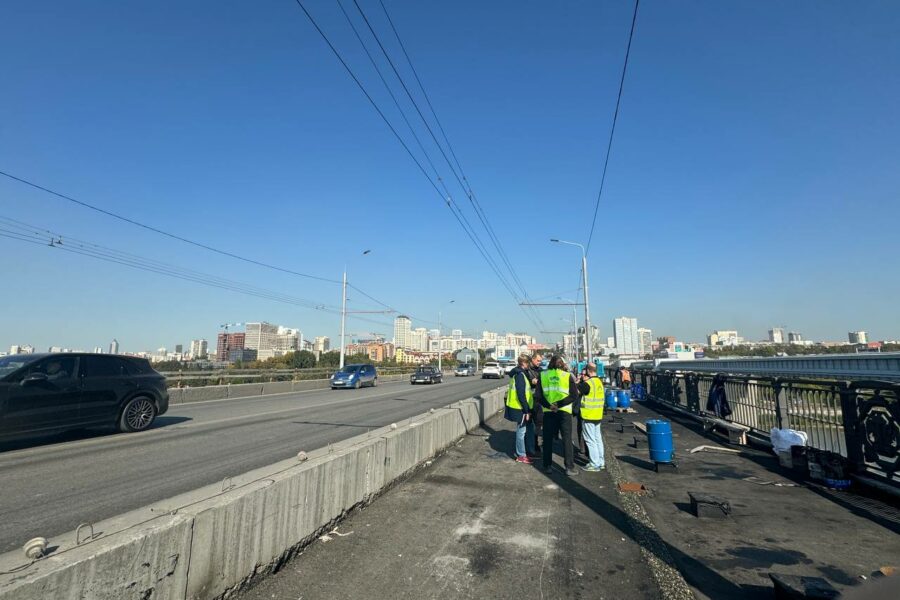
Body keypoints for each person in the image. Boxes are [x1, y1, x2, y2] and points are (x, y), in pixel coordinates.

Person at [535, 355, 580, 476]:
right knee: (566, 439)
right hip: (564, 411)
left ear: (550, 363)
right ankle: (569, 467)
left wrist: (550, 406)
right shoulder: (567, 376)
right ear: (562, 364)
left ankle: (547, 466)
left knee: (547, 439)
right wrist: (559, 404)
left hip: (548, 411)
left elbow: (538, 396)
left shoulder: (543, 375)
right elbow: (574, 395)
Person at [504, 354, 536, 464]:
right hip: (521, 409)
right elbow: (521, 394)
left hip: (522, 407)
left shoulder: (519, 373)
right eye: (528, 363)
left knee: (528, 429)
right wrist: (526, 411)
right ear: (524, 363)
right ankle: (521, 455)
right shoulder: (520, 375)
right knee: (521, 432)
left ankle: (528, 452)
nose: (530, 365)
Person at [577, 363, 606, 471]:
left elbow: (575, 392)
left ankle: (594, 464)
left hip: (589, 414)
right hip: (598, 414)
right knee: (598, 439)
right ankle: (601, 461)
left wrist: (577, 382)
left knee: (590, 440)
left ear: (588, 371)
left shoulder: (588, 384)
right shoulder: (599, 382)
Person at [526, 353, 544, 455]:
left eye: (540, 361)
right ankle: (529, 445)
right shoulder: (527, 370)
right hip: (529, 400)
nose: (539, 362)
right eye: (538, 360)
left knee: (538, 424)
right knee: (528, 424)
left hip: (538, 401)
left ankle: (535, 444)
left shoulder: (541, 371)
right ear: (532, 359)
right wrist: (530, 381)